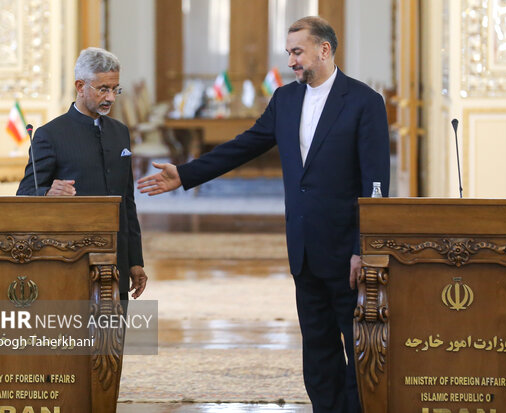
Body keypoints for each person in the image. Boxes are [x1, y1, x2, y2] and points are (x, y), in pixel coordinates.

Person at [138, 16, 389, 413]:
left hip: (347, 254)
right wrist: (186, 173)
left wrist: (365, 248)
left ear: (324, 50)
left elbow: (376, 182)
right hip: (303, 249)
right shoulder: (285, 100)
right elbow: (244, 145)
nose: (291, 61)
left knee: (359, 349)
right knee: (318, 353)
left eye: (297, 52)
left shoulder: (364, 102)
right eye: (289, 52)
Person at [17, 47, 147, 302]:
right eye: (103, 89)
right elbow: (24, 193)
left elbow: (127, 201)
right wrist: (47, 192)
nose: (111, 97)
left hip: (116, 261)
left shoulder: (120, 132)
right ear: (80, 86)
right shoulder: (49, 135)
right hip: (71, 264)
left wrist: (135, 260)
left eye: (115, 89)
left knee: (113, 339)